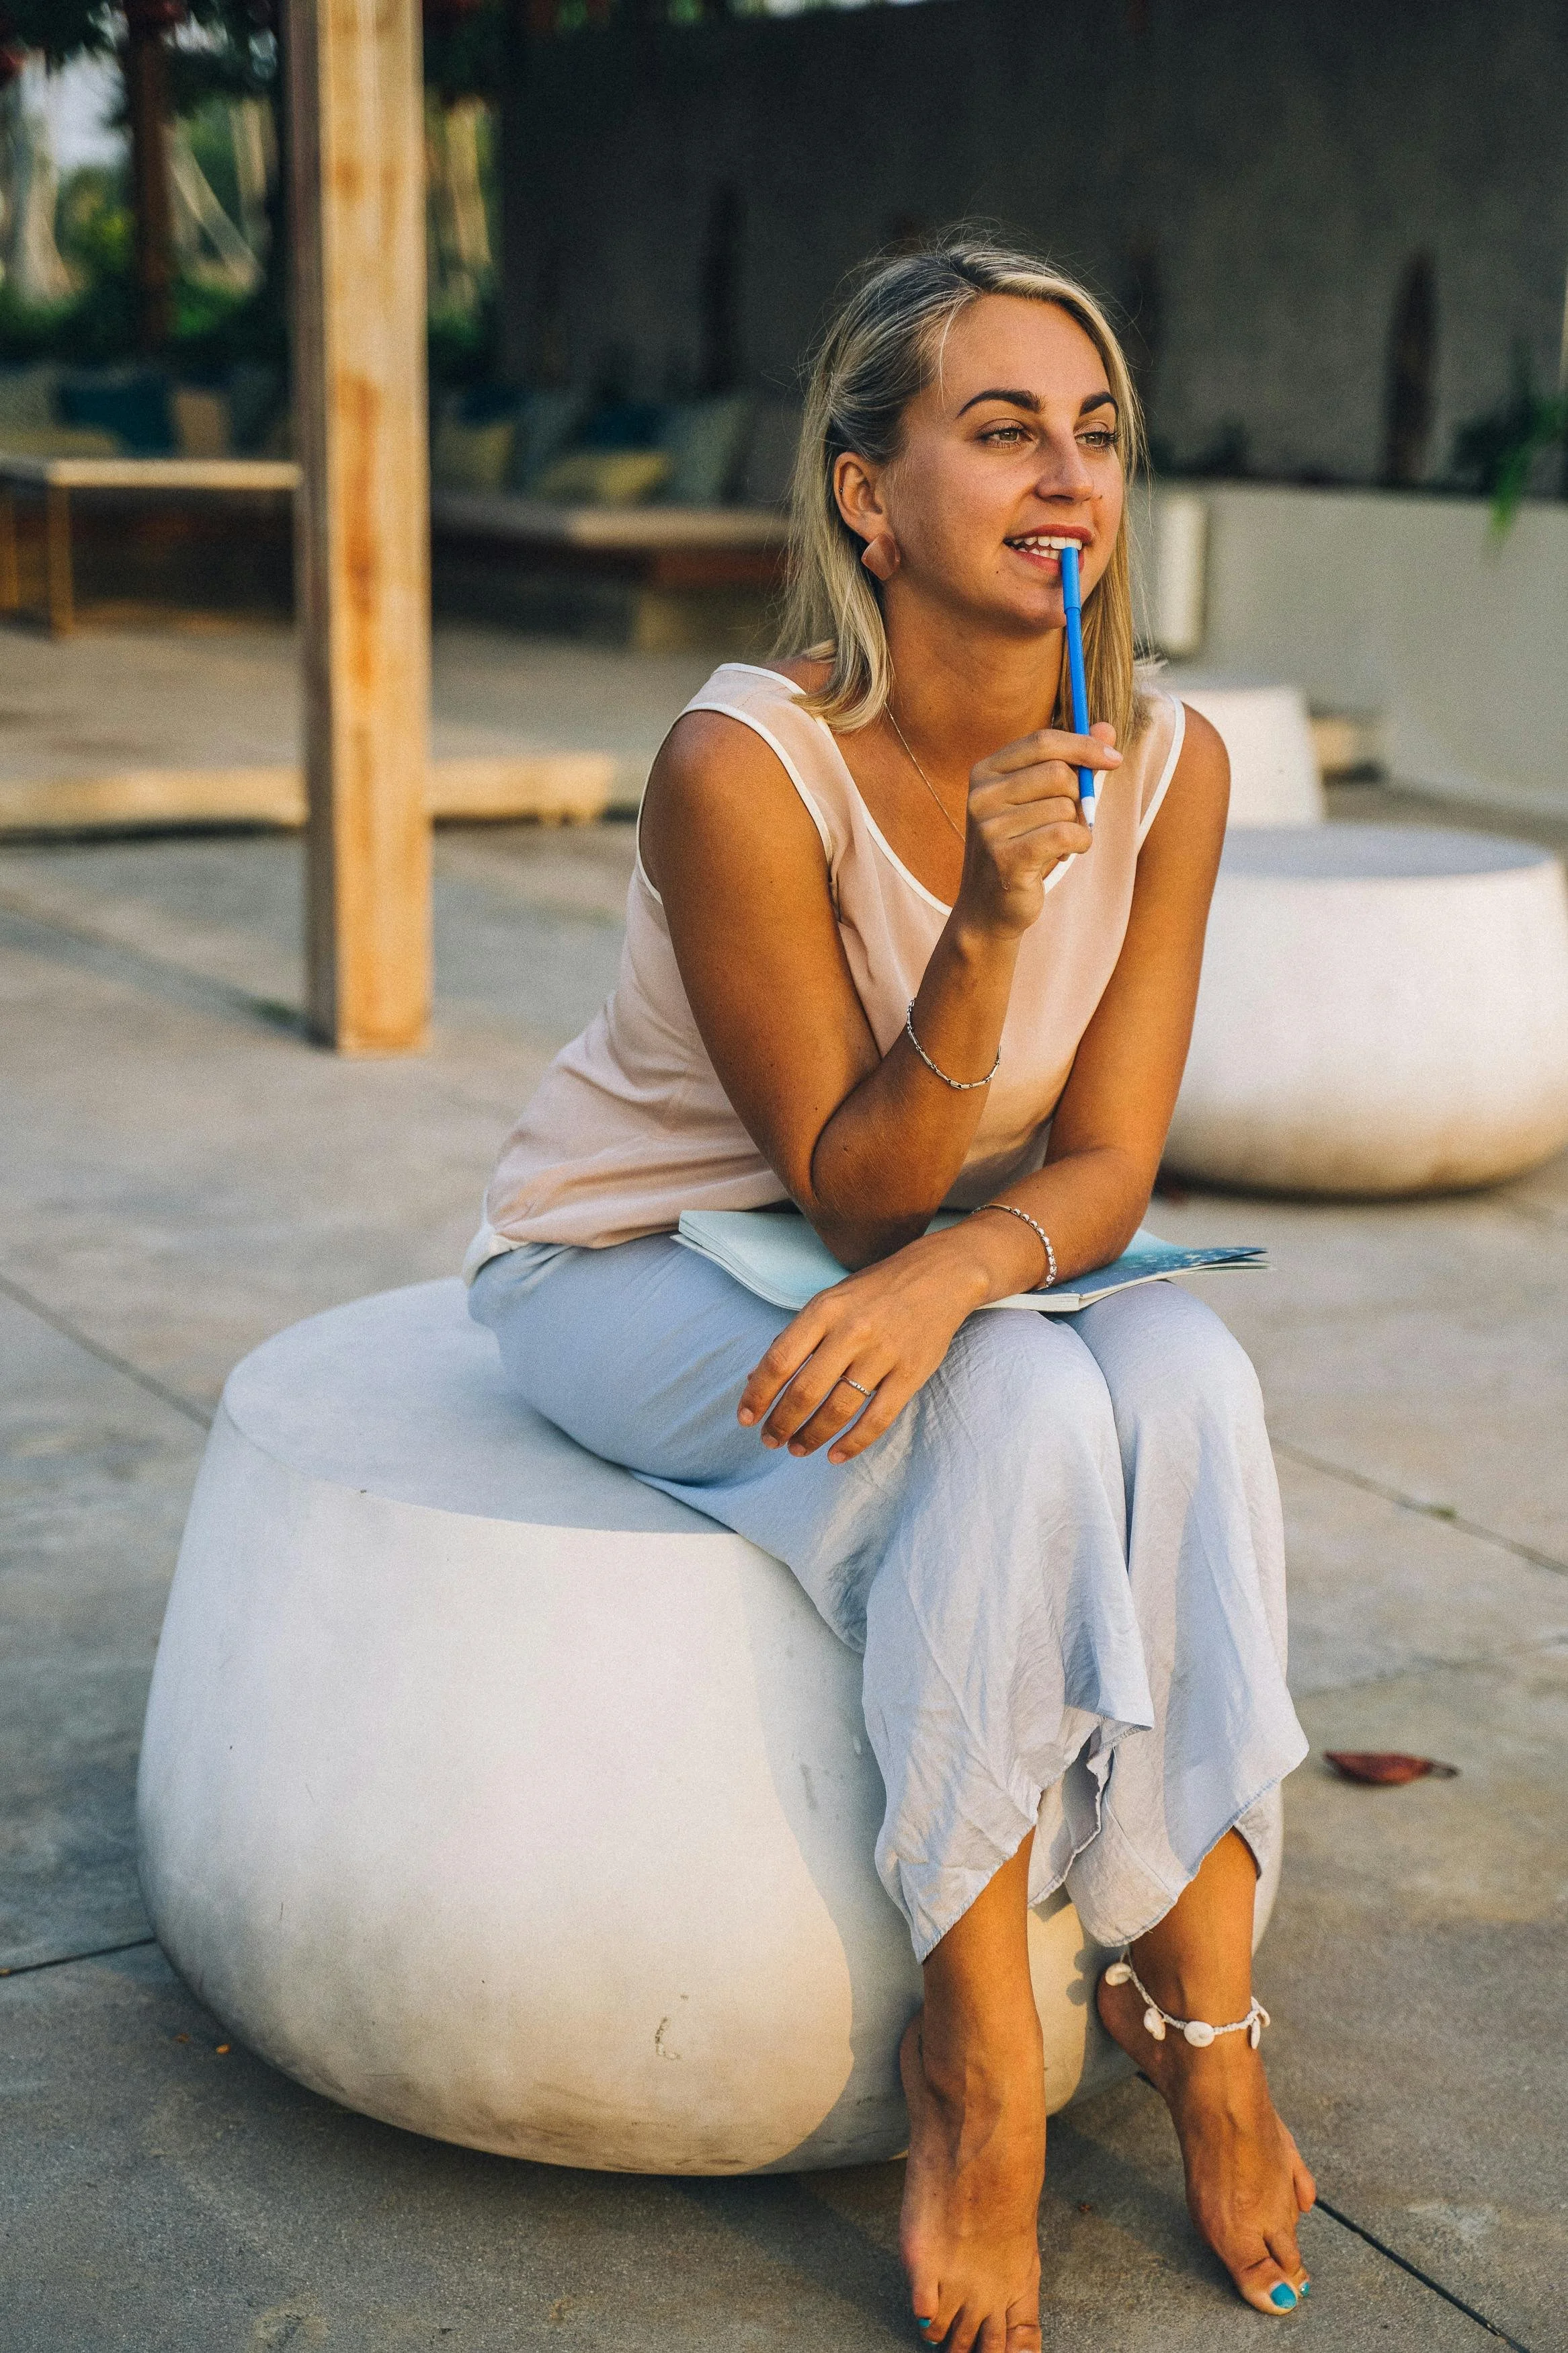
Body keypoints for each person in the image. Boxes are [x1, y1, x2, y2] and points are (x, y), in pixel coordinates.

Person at [467, 239, 1314, 2350]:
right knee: (1016, 1413)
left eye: (1095, 432)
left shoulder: (1168, 760)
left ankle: (1205, 2008)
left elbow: (1109, 1162)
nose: (1066, 481)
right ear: (867, 491)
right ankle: (978, 2065)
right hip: (633, 1255)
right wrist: (990, 921)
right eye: (1000, 427)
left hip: (946, 1245)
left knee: (1189, 1369)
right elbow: (847, 1200)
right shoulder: (741, 763)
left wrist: (961, 1267)